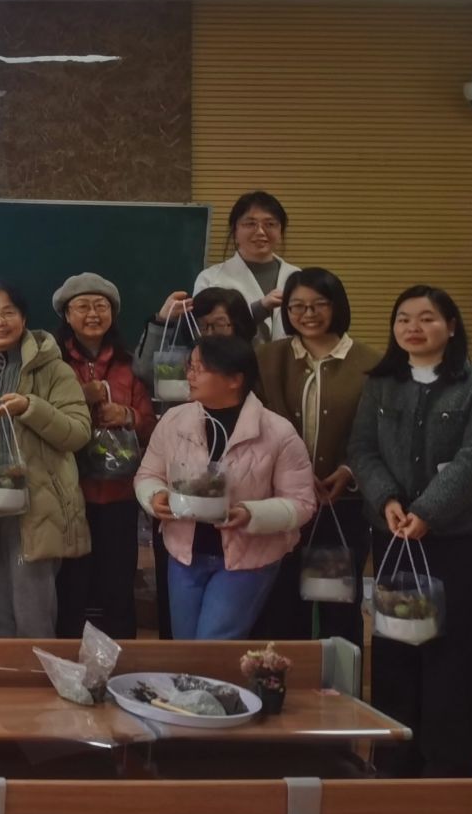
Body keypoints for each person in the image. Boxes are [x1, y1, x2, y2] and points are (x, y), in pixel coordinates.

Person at [348, 286, 472, 778]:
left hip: (461, 543)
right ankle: (396, 762)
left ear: (451, 327)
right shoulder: (382, 383)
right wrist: (387, 500)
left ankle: (450, 768)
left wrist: (428, 512)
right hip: (395, 537)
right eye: (403, 319)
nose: (413, 327)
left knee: (458, 656)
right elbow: (362, 449)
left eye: (427, 318)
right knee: (396, 647)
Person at [138, 335, 315, 640]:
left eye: (200, 368)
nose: (189, 375)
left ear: (234, 379)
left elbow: (302, 503)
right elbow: (147, 474)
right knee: (185, 646)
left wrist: (250, 513)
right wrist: (155, 496)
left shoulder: (278, 432)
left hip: (247, 559)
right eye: (190, 367)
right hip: (184, 555)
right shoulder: (174, 421)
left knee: (213, 644)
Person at [0, 282, 89, 639]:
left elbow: (78, 433)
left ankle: (37, 673)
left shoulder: (53, 369)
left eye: (8, 312)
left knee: (33, 611)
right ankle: (5, 674)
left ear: (24, 318)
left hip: (38, 505)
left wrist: (31, 407)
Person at [254, 268, 381, 645]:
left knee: (337, 604)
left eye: (319, 304)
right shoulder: (267, 358)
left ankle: (341, 680)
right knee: (281, 605)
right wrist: (291, 473)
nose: (307, 314)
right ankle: (282, 677)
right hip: (282, 503)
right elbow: (254, 423)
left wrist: (349, 470)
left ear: (337, 306)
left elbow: (379, 432)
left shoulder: (371, 364)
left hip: (342, 504)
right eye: (297, 306)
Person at [51, 273, 156, 641]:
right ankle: (67, 657)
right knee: (70, 587)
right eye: (82, 306)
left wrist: (128, 415)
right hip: (68, 493)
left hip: (119, 494)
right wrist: (82, 396)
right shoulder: (52, 362)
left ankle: (124, 663)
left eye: (101, 306)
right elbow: (43, 415)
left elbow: (151, 425)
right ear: (67, 315)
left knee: (118, 587)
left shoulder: (131, 364)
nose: (93, 314)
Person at [194, 191, 298, 341]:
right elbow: (203, 333)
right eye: (250, 224)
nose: (260, 232)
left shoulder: (297, 277)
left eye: (270, 224)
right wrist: (259, 309)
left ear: (281, 231)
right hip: (231, 357)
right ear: (235, 231)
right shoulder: (210, 278)